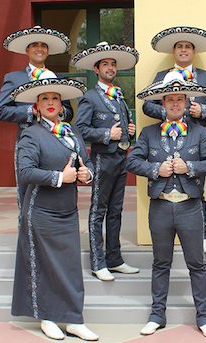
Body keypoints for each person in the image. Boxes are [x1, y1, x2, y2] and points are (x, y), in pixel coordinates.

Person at [128, 71, 206, 338]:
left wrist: (189, 166)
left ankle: (203, 316)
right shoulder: (147, 133)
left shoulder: (199, 132)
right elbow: (132, 162)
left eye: (180, 99)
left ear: (186, 102)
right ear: (163, 103)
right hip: (160, 207)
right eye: (170, 99)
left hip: (190, 208)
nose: (175, 104)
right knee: (160, 263)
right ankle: (157, 315)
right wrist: (156, 169)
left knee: (197, 264)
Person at [10, 71, 98, 341]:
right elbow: (25, 172)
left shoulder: (72, 133)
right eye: (45, 98)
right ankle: (47, 317)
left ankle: (74, 319)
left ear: (62, 105)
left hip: (68, 211)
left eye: (55, 98)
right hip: (41, 212)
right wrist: (60, 177)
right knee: (44, 266)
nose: (50, 102)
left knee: (71, 266)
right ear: (36, 106)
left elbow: (87, 161)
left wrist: (87, 174)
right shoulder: (31, 135)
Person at [143, 26, 206, 253]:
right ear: (174, 51)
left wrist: (204, 111)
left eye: (187, 46)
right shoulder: (161, 77)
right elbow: (147, 104)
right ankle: (164, 234)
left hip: (195, 139)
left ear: (193, 51)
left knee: (198, 187)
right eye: (179, 46)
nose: (183, 50)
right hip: (164, 138)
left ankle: (202, 236)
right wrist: (171, 114)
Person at [72, 42, 140, 281]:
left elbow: (121, 128)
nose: (110, 68)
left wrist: (130, 131)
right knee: (98, 211)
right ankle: (97, 262)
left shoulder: (119, 95)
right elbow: (79, 129)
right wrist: (105, 135)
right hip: (102, 159)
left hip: (122, 157)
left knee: (116, 210)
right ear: (96, 69)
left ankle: (115, 258)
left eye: (113, 64)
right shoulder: (90, 97)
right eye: (106, 64)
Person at [0, 26, 73, 211]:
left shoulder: (57, 78)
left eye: (43, 45)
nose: (40, 48)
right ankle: (27, 239)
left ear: (48, 50)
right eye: (35, 45)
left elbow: (69, 112)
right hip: (27, 143)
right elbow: (0, 111)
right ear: (27, 50)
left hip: (55, 143)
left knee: (54, 191)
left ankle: (49, 235)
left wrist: (58, 113)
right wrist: (32, 111)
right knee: (26, 194)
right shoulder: (14, 78)